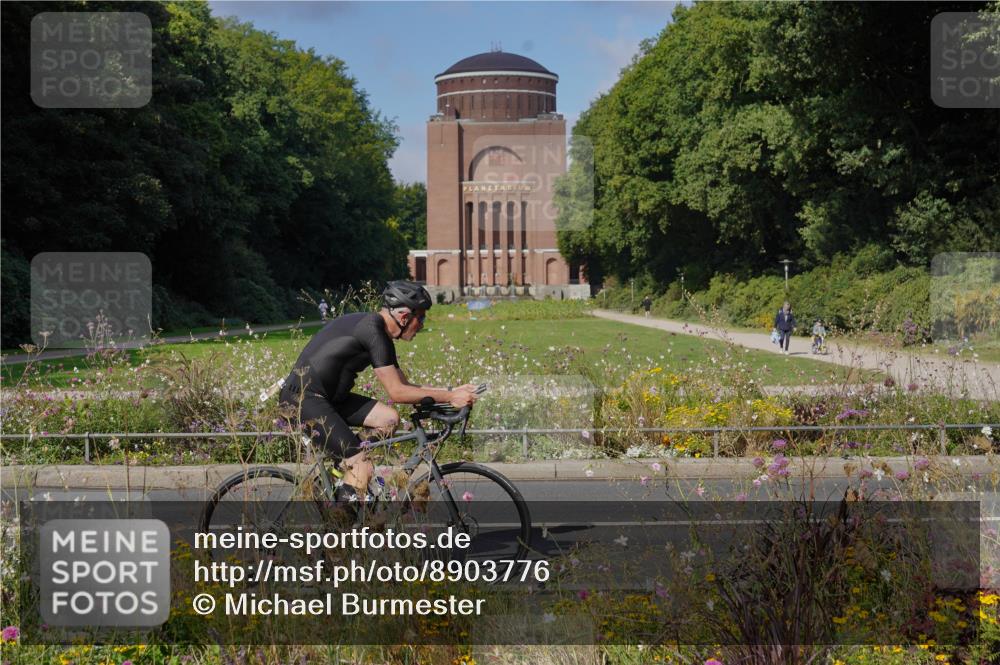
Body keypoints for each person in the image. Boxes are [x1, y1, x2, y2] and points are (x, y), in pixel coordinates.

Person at [279, 281, 480, 504]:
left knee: (389, 419)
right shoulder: (373, 332)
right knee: (362, 465)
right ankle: (343, 531)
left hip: (330, 399)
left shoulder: (376, 330)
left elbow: (404, 384)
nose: (421, 325)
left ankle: (343, 474)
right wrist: (451, 397)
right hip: (304, 400)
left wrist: (452, 392)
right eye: (420, 318)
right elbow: (398, 393)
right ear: (404, 317)